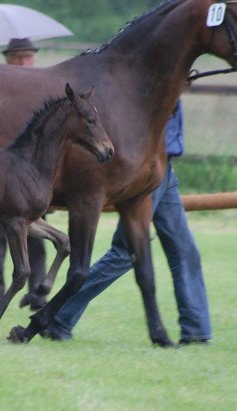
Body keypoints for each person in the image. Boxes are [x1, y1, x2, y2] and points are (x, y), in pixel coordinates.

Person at [43, 100, 213, 345]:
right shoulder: (153, 73)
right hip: (146, 170)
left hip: (165, 169)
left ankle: (196, 329)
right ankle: (58, 316)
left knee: (184, 248)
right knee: (124, 252)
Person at [0, 38, 48, 311]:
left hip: (33, 178)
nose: (24, 62)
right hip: (3, 179)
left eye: (28, 57)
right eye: (18, 57)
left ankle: (38, 293)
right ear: (8, 60)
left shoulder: (41, 92)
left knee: (37, 238)